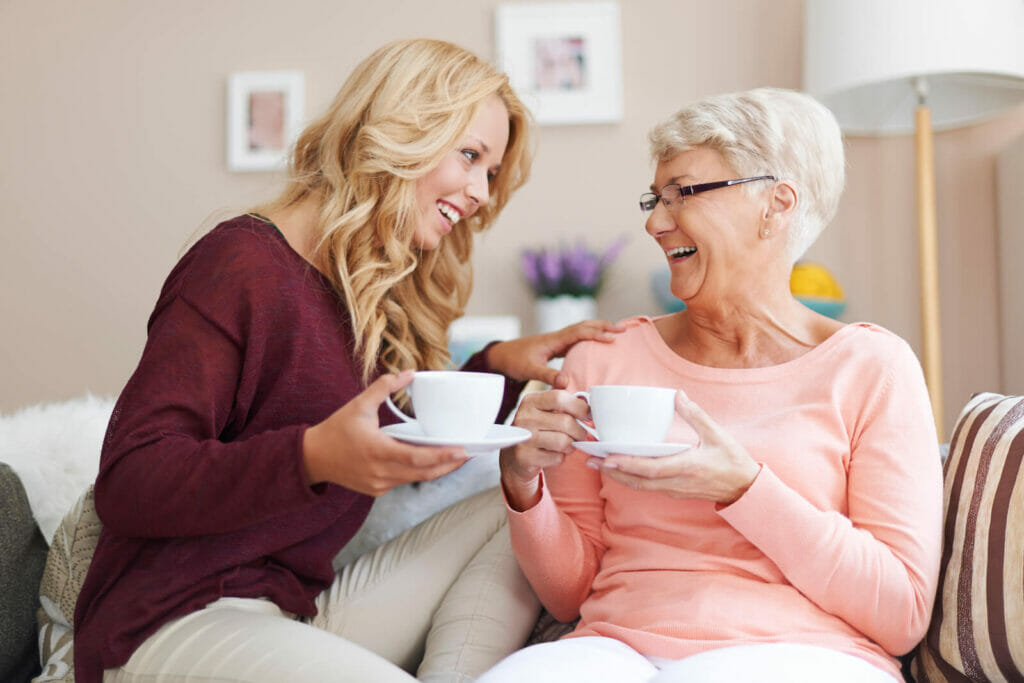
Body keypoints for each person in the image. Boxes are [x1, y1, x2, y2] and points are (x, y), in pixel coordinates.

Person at [73, 38, 621, 683]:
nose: (479, 193)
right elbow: (130, 481)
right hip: (170, 620)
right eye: (470, 156)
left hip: (288, 612)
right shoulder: (239, 264)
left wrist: (502, 364)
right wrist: (312, 457)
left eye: (491, 173)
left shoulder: (361, 292)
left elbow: (392, 439)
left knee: (523, 500)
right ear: (403, 129)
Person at [481, 87, 944, 683]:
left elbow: (902, 612)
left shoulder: (873, 367)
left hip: (803, 655)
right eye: (655, 197)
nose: (654, 221)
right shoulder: (602, 360)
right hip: (614, 652)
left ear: (774, 207)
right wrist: (521, 483)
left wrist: (745, 487)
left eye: (685, 193)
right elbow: (569, 595)